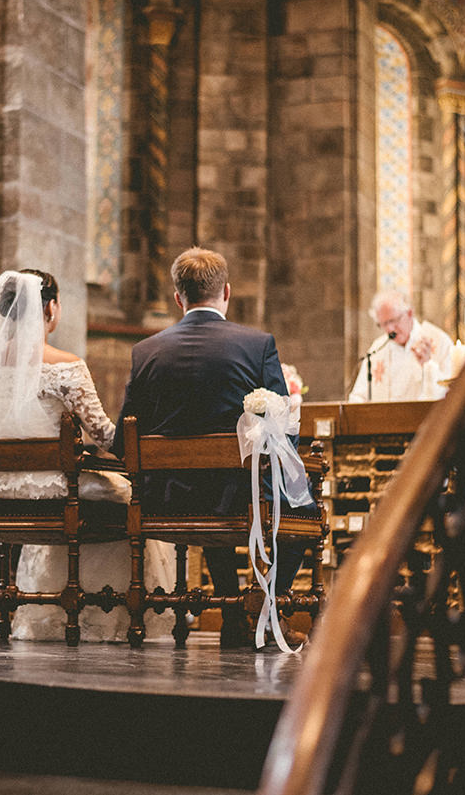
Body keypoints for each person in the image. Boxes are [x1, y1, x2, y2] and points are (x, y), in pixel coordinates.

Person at [0, 269, 175, 642]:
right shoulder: (65, 366)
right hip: (54, 493)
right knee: (129, 499)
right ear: (51, 308)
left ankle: (47, 612)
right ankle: (105, 615)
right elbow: (105, 437)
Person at [115, 247, 312, 648]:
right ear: (226, 292)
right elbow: (280, 431)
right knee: (306, 513)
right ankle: (266, 606)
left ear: (177, 298)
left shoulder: (145, 351)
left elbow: (123, 440)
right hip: (237, 496)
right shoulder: (256, 345)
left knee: (215, 493)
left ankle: (235, 616)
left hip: (165, 500)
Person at [348, 290, 453, 403]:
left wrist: (427, 365)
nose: (389, 329)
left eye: (393, 320)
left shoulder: (439, 341)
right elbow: (359, 395)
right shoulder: (377, 349)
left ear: (409, 313)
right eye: (383, 324)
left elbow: (450, 393)